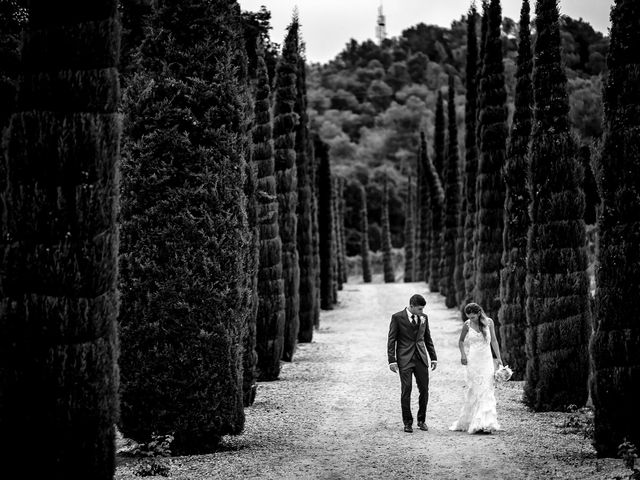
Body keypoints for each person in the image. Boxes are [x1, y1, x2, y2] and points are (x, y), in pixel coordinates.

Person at [449, 302, 503, 434]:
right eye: (468, 316)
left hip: (486, 360)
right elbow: (461, 341)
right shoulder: (467, 325)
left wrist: (499, 358)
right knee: (475, 389)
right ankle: (473, 421)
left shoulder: (489, 322)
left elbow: (494, 341)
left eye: (472, 317)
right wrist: (463, 355)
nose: (470, 319)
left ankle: (486, 423)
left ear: (479, 313)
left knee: (487, 389)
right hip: (473, 361)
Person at [387, 294, 437, 433]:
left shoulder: (424, 318)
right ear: (412, 306)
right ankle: (407, 422)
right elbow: (391, 340)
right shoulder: (397, 317)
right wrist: (392, 360)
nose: (422, 312)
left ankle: (422, 420)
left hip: (421, 358)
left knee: (424, 390)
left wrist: (433, 357)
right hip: (404, 359)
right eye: (420, 309)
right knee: (406, 389)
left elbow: (427, 338)